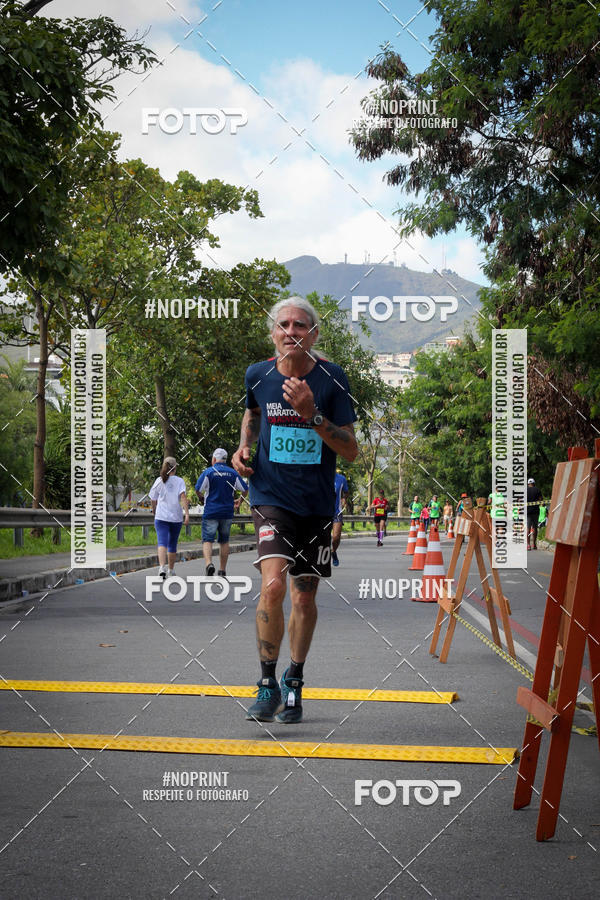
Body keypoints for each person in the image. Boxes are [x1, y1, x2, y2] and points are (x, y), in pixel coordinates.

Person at [232, 296, 358, 723]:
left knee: (304, 596)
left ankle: (295, 679)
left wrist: (312, 416)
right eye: (283, 324)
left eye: (300, 325)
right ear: (273, 334)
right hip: (270, 497)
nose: (291, 331)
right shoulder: (258, 374)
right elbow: (252, 412)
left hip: (316, 504)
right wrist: (243, 446)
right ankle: (267, 683)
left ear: (314, 334)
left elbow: (352, 451)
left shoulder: (332, 379)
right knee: (272, 587)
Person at [195, 448, 248, 576]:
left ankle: (209, 564)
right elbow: (245, 489)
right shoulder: (233, 473)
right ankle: (222, 569)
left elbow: (198, 488)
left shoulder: (209, 472)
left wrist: (201, 498)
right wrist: (239, 501)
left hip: (211, 512)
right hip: (226, 512)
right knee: (224, 541)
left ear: (214, 459)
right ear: (225, 460)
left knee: (208, 540)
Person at [149, 457, 189, 579]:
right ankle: (171, 570)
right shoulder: (179, 481)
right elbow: (183, 498)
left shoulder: (159, 480)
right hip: (176, 517)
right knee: (172, 544)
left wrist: (154, 510)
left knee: (162, 542)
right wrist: (187, 514)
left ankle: (162, 567)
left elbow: (153, 499)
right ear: (175, 467)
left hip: (161, 517)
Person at [332, 470, 349, 566]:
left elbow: (346, 492)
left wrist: (344, 500)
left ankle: (333, 551)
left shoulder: (341, 479)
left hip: (337, 512)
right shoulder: (321, 475)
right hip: (323, 513)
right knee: (323, 539)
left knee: (336, 537)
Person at [527, 477, 542, 549]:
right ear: (534, 483)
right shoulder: (537, 490)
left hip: (527, 512)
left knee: (528, 528)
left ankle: (528, 545)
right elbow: (541, 499)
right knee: (535, 528)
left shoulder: (525, 490)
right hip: (535, 511)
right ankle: (534, 544)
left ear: (528, 484)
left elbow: (521, 500)